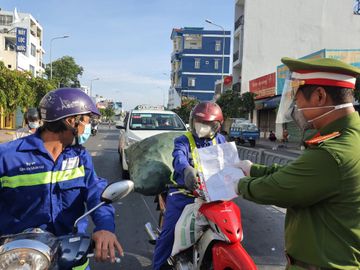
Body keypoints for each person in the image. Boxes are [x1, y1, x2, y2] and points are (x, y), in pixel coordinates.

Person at [234, 57, 360, 269]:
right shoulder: (349, 137)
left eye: (297, 99)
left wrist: (237, 183)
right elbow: (300, 175)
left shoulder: (332, 153)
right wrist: (253, 168)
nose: (296, 107)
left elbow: (277, 189)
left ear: (319, 96)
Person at [0, 88, 123, 267]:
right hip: (21, 260)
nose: (88, 126)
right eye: (87, 120)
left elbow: (97, 194)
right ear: (71, 121)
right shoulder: (8, 157)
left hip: (71, 257)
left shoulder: (80, 158)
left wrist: (104, 228)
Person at [153, 101, 226, 270]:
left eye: (207, 124)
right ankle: (158, 266)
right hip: (184, 194)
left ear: (216, 126)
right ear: (192, 121)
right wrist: (186, 170)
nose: (202, 127)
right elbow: (179, 156)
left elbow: (228, 162)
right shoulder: (184, 140)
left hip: (213, 196)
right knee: (169, 234)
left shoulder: (221, 140)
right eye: (199, 122)